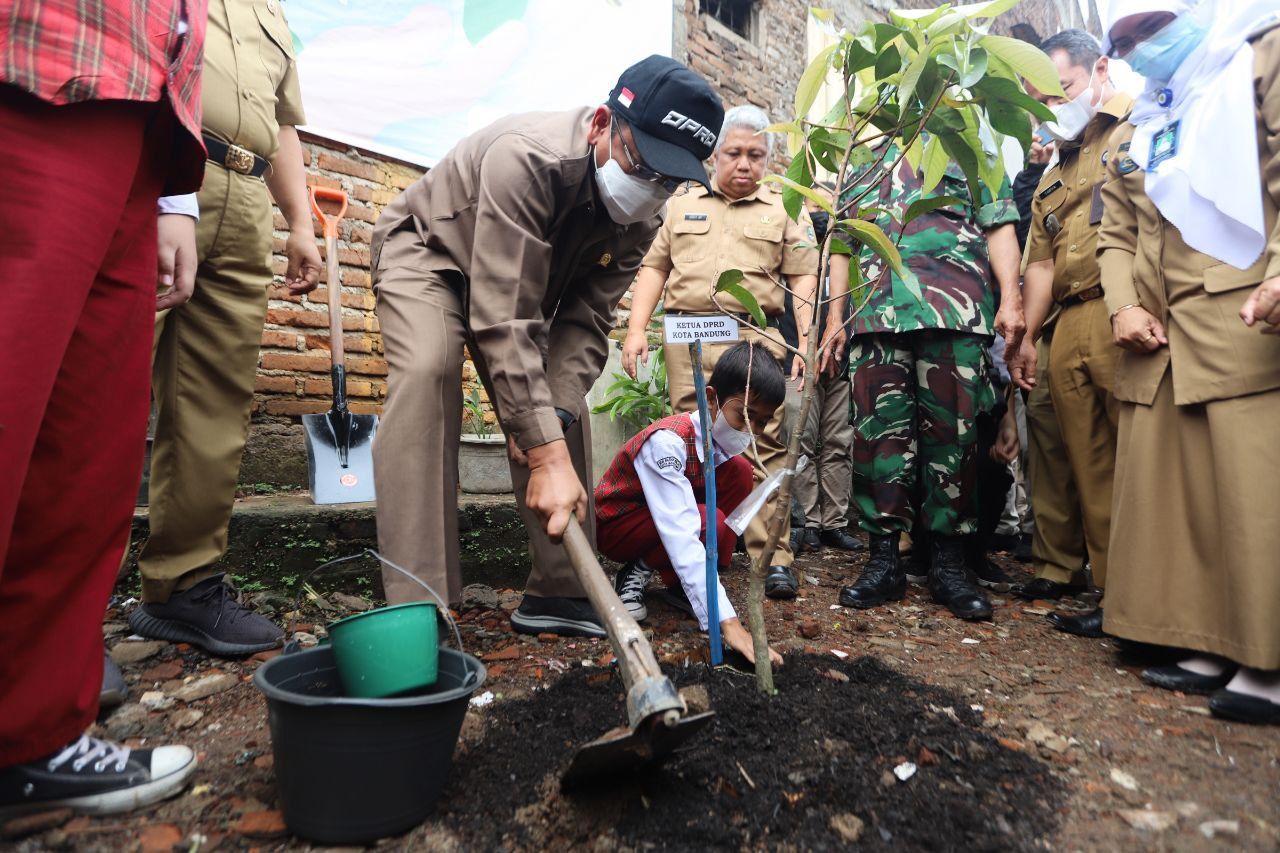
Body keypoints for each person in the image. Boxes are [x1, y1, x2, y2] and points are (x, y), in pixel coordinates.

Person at [370, 56, 724, 638]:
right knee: (429, 372)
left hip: (513, 289)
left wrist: (548, 424)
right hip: (430, 254)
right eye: (645, 164)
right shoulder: (528, 158)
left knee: (561, 407)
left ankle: (560, 591)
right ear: (603, 125)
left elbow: (586, 322)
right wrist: (543, 454)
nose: (652, 190)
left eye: (670, 179)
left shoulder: (642, 221)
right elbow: (502, 314)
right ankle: (418, 605)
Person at [0, 0, 206, 815]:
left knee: (85, 454)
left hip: (144, 122)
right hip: (31, 64)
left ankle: (32, 734)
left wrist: (172, 201)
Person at [1098, 0, 1280, 725]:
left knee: (1250, 490)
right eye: (1127, 39)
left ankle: (1266, 663)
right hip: (1158, 327)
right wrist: (1120, 305)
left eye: (1153, 28)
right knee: (1191, 497)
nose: (1143, 48)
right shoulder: (1145, 118)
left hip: (1242, 312)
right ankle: (1211, 640)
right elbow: (1115, 227)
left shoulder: (1259, 57)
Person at [129, 0, 320, 657]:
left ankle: (182, 587)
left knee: (216, 398)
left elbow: (283, 124)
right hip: (159, 168)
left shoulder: (273, 15)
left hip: (245, 195)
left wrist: (298, 222)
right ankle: (50, 614)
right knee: (103, 385)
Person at [622, 105, 819, 601]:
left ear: (768, 159)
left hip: (752, 338)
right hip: (686, 340)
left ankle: (772, 558)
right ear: (715, 154)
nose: (744, 164)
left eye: (755, 155)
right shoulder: (683, 199)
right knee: (686, 448)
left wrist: (804, 340)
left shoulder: (783, 206)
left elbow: (802, 276)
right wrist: (636, 329)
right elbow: (655, 267)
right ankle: (685, 555)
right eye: (734, 153)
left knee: (761, 446)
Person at [833, 140, 1025, 622]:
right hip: (876, 313)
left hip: (957, 312)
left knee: (954, 442)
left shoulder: (974, 148)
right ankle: (883, 561)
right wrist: (836, 316)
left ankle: (949, 565)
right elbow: (840, 243)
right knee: (878, 441)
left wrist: (1011, 301)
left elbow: (999, 224)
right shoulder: (863, 155)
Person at [1007, 29, 1135, 638]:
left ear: (1100, 69)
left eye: (1064, 90)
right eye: (1044, 102)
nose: (1055, 109)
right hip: (1065, 313)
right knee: (1073, 454)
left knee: (1122, 455)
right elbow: (1041, 259)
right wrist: (1028, 336)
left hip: (1121, 305)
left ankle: (1129, 591)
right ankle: (1080, 576)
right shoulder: (1055, 167)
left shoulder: (1135, 127)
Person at [599, 342, 784, 665]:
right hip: (618, 524)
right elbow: (682, 530)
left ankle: (682, 585)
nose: (752, 430)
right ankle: (637, 568)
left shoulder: (718, 441)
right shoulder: (667, 443)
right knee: (704, 519)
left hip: (659, 520)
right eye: (744, 414)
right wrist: (727, 623)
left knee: (740, 473)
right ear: (711, 399)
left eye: (762, 421)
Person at [778, 197, 863, 555]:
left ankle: (834, 523)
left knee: (838, 442)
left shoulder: (848, 264)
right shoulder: (791, 260)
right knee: (799, 439)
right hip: (797, 363)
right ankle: (807, 522)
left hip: (840, 363)